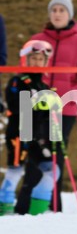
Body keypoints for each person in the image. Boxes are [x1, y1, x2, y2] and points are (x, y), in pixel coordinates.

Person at [20, 0, 77, 212]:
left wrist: (68, 97)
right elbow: (23, 71)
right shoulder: (37, 41)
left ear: (69, 14)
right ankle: (24, 208)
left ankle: (52, 209)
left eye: (62, 10)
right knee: (32, 155)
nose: (57, 13)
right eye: (53, 10)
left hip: (64, 111)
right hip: (35, 109)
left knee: (55, 158)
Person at [1, 41, 63, 215]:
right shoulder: (17, 81)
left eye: (40, 59)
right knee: (15, 172)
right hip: (19, 135)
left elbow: (44, 116)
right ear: (25, 60)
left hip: (36, 137)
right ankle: (3, 210)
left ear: (45, 62)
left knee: (52, 170)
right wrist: (41, 103)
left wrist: (53, 106)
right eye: (33, 58)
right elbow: (16, 105)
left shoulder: (44, 87)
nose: (37, 62)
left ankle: (38, 210)